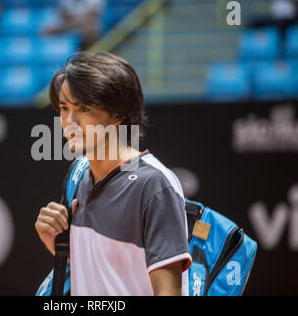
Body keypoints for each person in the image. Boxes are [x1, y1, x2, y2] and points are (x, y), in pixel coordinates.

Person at [34, 52, 192, 296]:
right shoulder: (78, 174)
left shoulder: (154, 184)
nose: (69, 121)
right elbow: (104, 273)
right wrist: (57, 243)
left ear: (118, 114)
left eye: (83, 108)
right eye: (64, 108)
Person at [41, 0, 106, 49]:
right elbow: (65, 15)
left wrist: (74, 20)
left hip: (82, 25)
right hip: (71, 25)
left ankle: (89, 55)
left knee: (91, 29)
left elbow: (92, 15)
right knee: (46, 30)